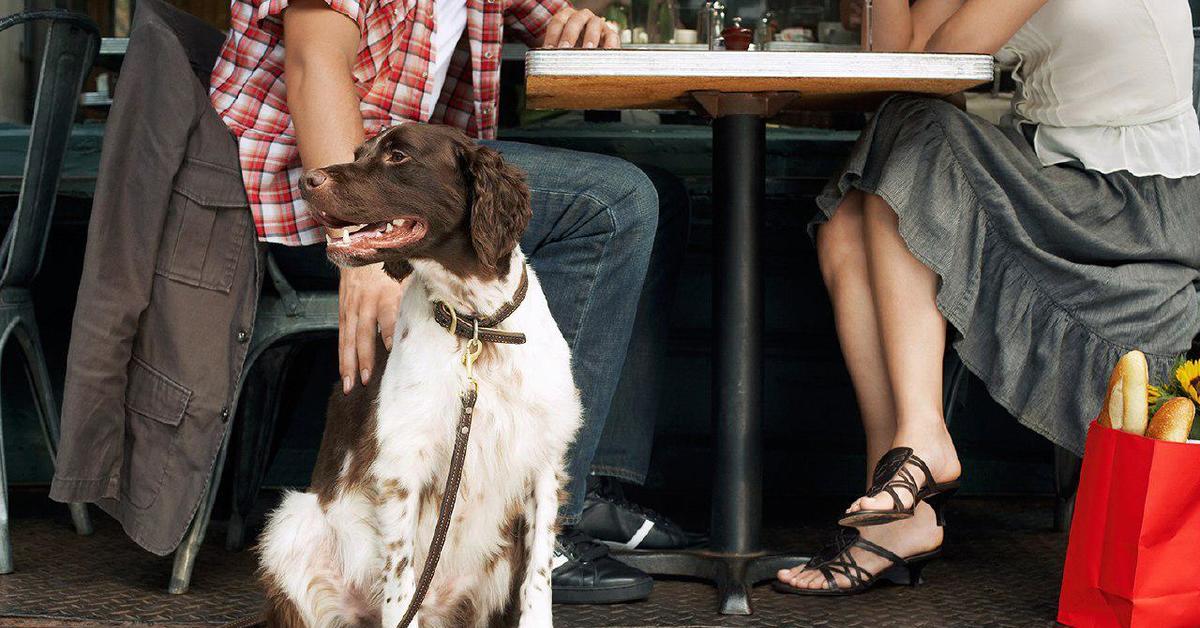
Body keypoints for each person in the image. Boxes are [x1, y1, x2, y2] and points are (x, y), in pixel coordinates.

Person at [210, 0, 697, 603]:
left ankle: (587, 486)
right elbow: (314, 64)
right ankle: (546, 535)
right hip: (309, 188)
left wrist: (583, 24)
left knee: (660, 196)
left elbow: (547, 13)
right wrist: (361, 247)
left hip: (412, 188)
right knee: (616, 202)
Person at [775, 0, 1200, 595]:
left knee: (916, 131)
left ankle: (922, 439)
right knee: (849, 223)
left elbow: (943, 65)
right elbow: (902, 62)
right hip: (1060, 171)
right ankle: (899, 501)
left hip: (1130, 199)